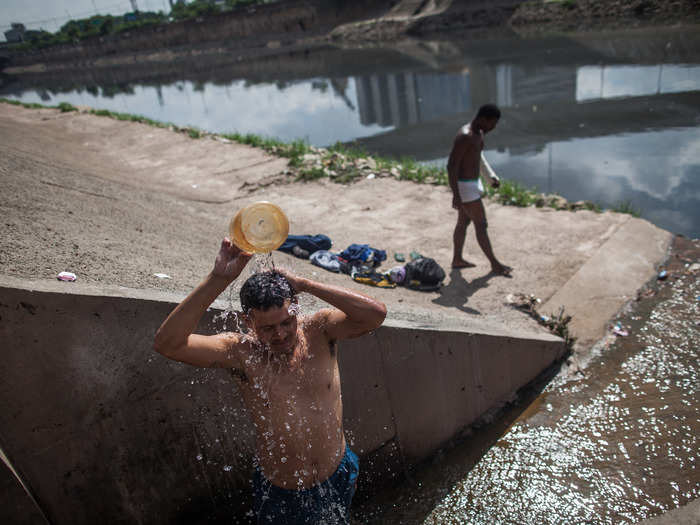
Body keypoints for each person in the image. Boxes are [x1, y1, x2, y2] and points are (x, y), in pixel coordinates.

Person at [153, 238, 387, 524]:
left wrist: (305, 283)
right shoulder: (239, 353)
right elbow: (169, 345)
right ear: (248, 322)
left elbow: (375, 315)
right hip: (283, 493)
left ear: (295, 308)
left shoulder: (320, 330)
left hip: (338, 471)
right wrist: (219, 278)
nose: (280, 335)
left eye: (286, 322)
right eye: (267, 328)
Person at [447, 103, 512, 276]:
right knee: (481, 224)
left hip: (473, 184)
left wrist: (490, 178)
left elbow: (478, 158)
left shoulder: (479, 134)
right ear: (484, 119)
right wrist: (456, 194)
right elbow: (452, 166)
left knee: (463, 222)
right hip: (464, 187)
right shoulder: (465, 136)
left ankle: (457, 259)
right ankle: (495, 264)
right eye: (493, 123)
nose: (493, 127)